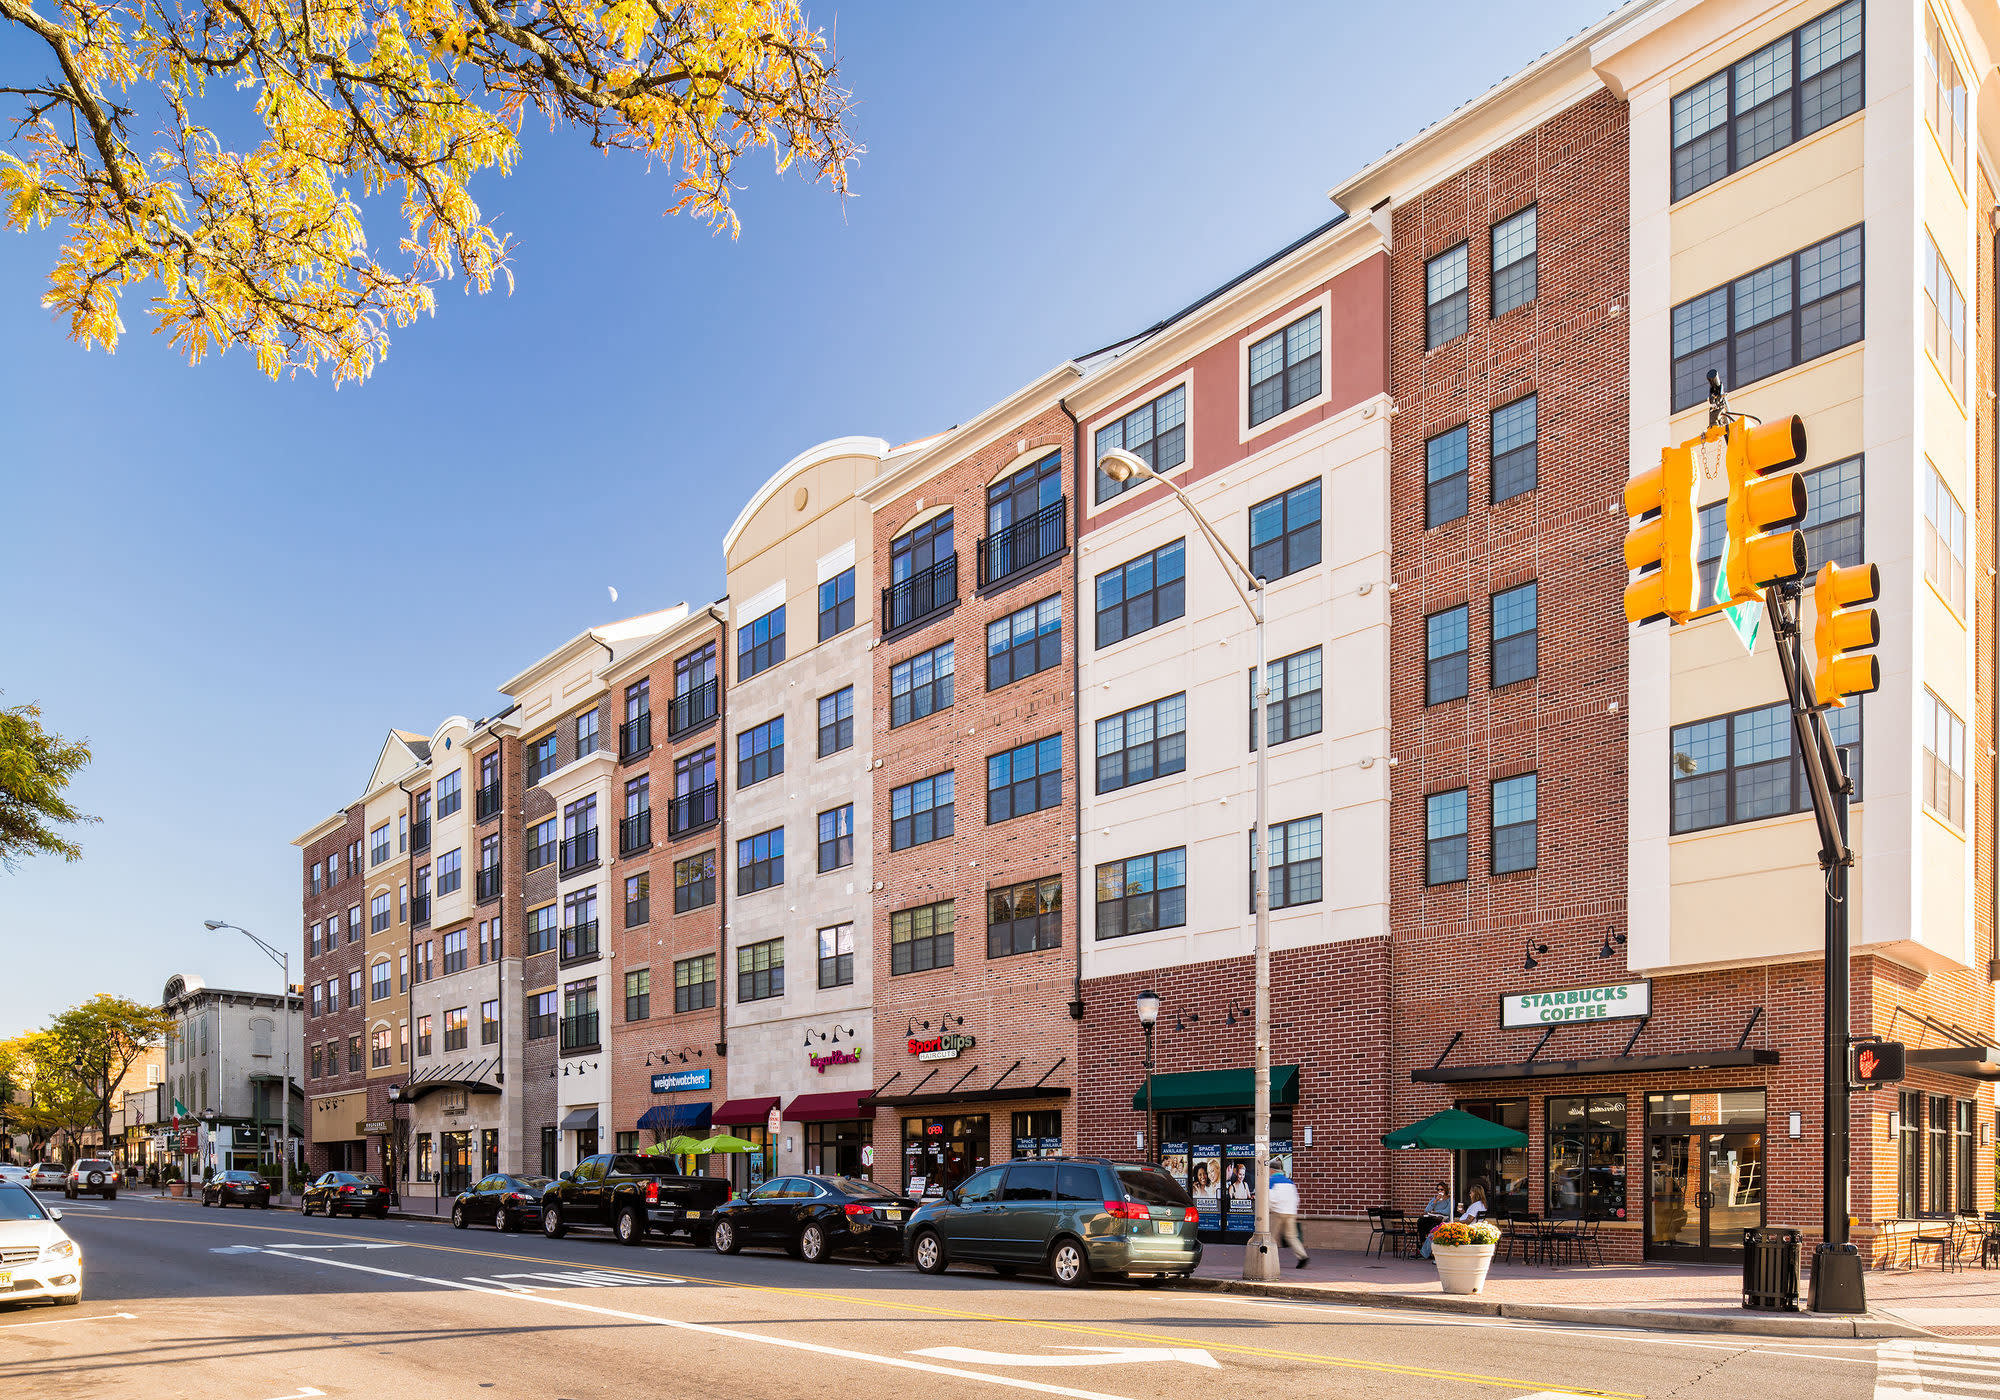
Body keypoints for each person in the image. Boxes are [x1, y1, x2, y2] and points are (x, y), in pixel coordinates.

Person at [1267, 1169, 1309, 1268]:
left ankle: (1268, 1259)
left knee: (1270, 1237)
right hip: (1291, 1212)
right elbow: (1296, 1198)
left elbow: (1270, 1198)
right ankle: (1302, 1256)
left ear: (1271, 1170)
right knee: (1292, 1236)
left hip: (1278, 1212)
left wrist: (1270, 1209)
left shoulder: (1271, 1181)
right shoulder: (1290, 1182)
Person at [1418, 1180, 1455, 1259]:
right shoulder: (1435, 1199)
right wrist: (1435, 1201)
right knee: (1421, 1221)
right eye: (1438, 1190)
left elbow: (1447, 1211)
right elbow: (1427, 1210)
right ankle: (1423, 1242)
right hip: (1433, 1219)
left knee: (1433, 1228)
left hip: (1444, 1220)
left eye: (1442, 1189)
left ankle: (1424, 1252)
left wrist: (1436, 1211)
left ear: (1445, 1190)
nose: (1440, 1191)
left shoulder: (1450, 1200)